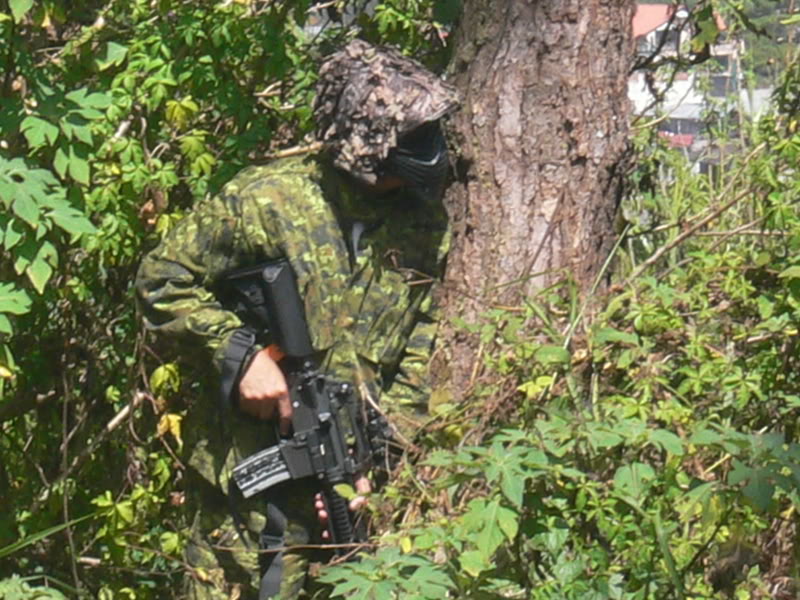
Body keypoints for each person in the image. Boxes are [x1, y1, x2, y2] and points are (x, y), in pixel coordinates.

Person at [135, 39, 458, 599]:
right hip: (245, 504)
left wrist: (379, 464)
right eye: (411, 140)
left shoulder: (424, 225)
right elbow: (160, 280)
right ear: (366, 141)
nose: (428, 154)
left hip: (351, 490)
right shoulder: (269, 201)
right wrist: (242, 356)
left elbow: (417, 352)